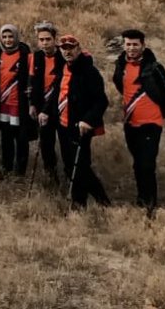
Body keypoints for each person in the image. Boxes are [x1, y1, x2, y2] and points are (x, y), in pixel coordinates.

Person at [112, 29, 165, 212]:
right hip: (130, 123)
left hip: (151, 124)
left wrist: (161, 111)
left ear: (143, 45)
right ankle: (141, 199)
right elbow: (119, 84)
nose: (131, 48)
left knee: (146, 164)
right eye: (128, 44)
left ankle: (149, 205)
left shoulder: (154, 68)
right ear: (124, 45)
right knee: (137, 164)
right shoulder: (121, 65)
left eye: (135, 44)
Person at [43, 35, 110, 209]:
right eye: (64, 48)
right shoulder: (62, 68)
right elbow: (56, 94)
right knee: (69, 164)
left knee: (80, 166)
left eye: (71, 48)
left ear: (78, 49)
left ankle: (93, 202)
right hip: (63, 124)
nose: (67, 51)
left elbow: (101, 101)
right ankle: (84, 202)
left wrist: (88, 120)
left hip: (80, 126)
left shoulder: (89, 72)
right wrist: (45, 111)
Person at [0, 25, 32, 176]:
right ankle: (7, 166)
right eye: (4, 37)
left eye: (10, 36)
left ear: (16, 37)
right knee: (6, 136)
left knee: (21, 137)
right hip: (3, 104)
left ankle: (20, 170)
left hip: (19, 104)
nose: (8, 40)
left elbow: (32, 77)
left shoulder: (25, 54)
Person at [30, 21, 65, 184]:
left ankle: (70, 173)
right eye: (41, 39)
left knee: (65, 143)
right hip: (42, 108)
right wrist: (32, 104)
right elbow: (32, 82)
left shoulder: (64, 56)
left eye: (48, 39)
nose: (44, 43)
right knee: (46, 144)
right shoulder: (35, 57)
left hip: (61, 107)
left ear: (54, 39)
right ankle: (51, 176)